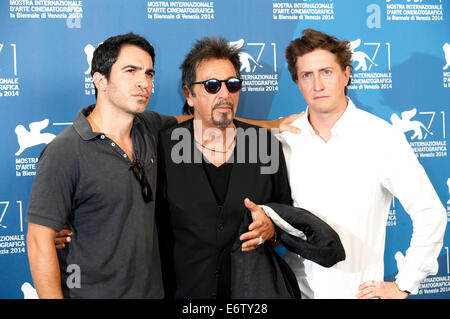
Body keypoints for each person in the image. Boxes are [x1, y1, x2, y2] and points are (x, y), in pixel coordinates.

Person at [26, 32, 301, 299]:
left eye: (149, 73)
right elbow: (39, 241)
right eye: (130, 71)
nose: (143, 82)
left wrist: (272, 126)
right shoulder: (66, 150)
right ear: (100, 80)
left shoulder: (148, 129)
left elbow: (203, 117)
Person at [156, 36, 345, 299]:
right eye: (212, 86)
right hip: (184, 292)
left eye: (232, 85)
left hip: (252, 291)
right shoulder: (164, 148)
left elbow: (284, 214)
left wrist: (271, 228)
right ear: (189, 94)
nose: (224, 94)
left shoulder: (265, 145)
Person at [274, 29, 447, 299]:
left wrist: (406, 282)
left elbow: (430, 213)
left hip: (358, 295)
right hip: (295, 292)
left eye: (326, 72)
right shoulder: (282, 139)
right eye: (307, 75)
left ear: (346, 74)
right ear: (297, 81)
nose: (317, 85)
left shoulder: (382, 137)